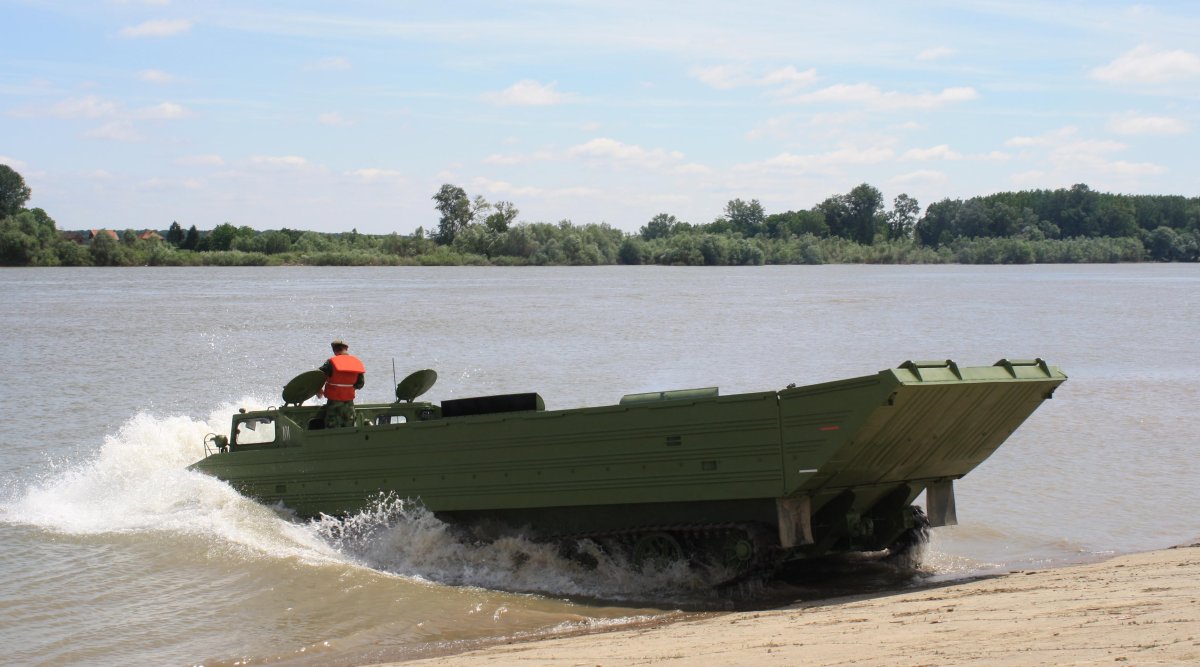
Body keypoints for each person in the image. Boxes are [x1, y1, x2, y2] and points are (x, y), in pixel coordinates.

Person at [316, 339, 365, 428]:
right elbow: (360, 384)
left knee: (332, 431)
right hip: (349, 407)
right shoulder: (357, 363)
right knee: (349, 431)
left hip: (334, 406)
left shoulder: (331, 362)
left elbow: (317, 376)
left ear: (334, 350)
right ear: (346, 349)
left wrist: (319, 390)